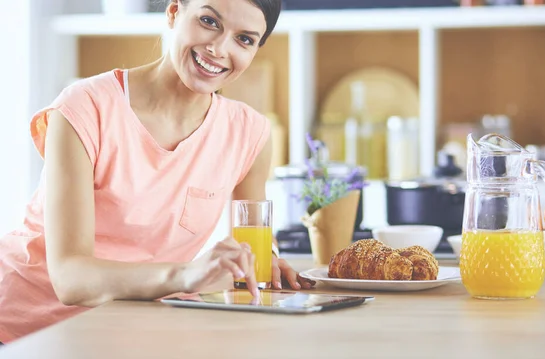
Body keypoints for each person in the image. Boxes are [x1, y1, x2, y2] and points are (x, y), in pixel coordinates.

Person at [0, 0, 315, 345]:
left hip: (127, 330)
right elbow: (70, 279)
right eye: (209, 21)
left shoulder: (249, 133)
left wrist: (261, 263)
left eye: (244, 39)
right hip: (22, 330)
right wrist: (187, 275)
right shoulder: (83, 108)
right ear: (173, 12)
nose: (219, 49)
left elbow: (252, 244)